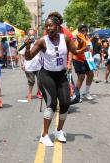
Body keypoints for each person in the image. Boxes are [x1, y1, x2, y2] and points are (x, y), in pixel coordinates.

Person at [24, 12, 87, 147]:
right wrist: (28, 47)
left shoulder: (66, 39)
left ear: (58, 26)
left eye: (50, 26)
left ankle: (59, 131)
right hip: (46, 75)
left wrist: (82, 43)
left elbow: (76, 52)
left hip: (61, 75)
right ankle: (44, 135)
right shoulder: (42, 41)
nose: (48, 28)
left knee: (65, 103)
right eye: (46, 26)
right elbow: (28, 57)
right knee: (52, 104)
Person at [72, 24, 94, 100]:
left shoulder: (87, 38)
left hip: (88, 58)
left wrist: (92, 60)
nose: (84, 32)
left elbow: (90, 49)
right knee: (81, 77)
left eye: (85, 30)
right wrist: (80, 43)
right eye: (82, 31)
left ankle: (86, 92)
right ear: (79, 32)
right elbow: (77, 49)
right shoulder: (79, 39)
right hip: (78, 59)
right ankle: (76, 95)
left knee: (91, 74)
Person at [19, 29, 42, 101]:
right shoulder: (25, 44)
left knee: (40, 80)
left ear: (35, 35)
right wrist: (22, 64)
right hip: (29, 66)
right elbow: (21, 54)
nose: (31, 36)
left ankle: (39, 92)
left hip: (39, 65)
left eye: (33, 35)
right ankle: (30, 93)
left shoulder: (38, 43)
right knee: (31, 81)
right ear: (28, 35)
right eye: (30, 35)